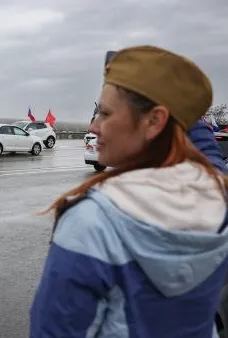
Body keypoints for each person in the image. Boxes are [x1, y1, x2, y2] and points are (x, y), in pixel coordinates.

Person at [29, 45, 228, 337]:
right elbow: (209, 156)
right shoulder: (217, 197)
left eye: (105, 113)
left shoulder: (93, 223)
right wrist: (176, 97)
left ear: (155, 121)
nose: (93, 126)